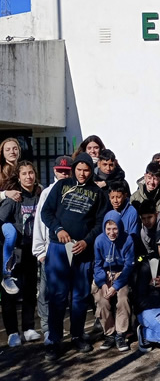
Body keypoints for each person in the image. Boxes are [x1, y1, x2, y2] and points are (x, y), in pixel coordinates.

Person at [41, 153, 107, 360]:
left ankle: (77, 335)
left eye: (86, 170)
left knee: (79, 297)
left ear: (91, 170)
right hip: (59, 248)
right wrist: (58, 229)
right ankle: (54, 340)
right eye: (79, 169)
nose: (82, 173)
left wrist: (87, 241)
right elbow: (46, 213)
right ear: (73, 169)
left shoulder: (98, 193)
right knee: (57, 296)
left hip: (82, 251)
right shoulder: (61, 187)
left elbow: (99, 224)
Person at [0, 161, 42, 347]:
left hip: (31, 249)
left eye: (31, 173)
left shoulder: (40, 195)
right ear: (19, 177)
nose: (28, 177)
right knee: (10, 293)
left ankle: (28, 328)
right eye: (24, 174)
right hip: (13, 251)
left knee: (30, 289)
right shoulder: (14, 198)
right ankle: (12, 333)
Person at [32, 155, 72, 344]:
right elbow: (40, 223)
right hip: (50, 250)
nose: (63, 174)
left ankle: (72, 329)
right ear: (54, 171)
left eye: (67, 171)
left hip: (71, 250)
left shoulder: (75, 191)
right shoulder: (47, 193)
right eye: (60, 171)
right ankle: (48, 330)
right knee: (47, 292)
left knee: (69, 293)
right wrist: (40, 252)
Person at [92, 211, 136, 352]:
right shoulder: (99, 240)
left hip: (121, 275)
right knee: (101, 300)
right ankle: (109, 333)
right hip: (104, 276)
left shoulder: (127, 240)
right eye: (108, 229)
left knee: (123, 299)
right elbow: (97, 265)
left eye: (115, 228)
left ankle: (121, 333)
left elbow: (129, 265)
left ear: (120, 227)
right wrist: (102, 283)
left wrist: (116, 286)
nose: (112, 232)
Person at [0, 138, 21, 205]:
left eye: (15, 149)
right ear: (2, 152)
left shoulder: (24, 168)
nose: (12, 152)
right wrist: (5, 193)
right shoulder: (1, 170)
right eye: (7, 150)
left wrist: (39, 188)